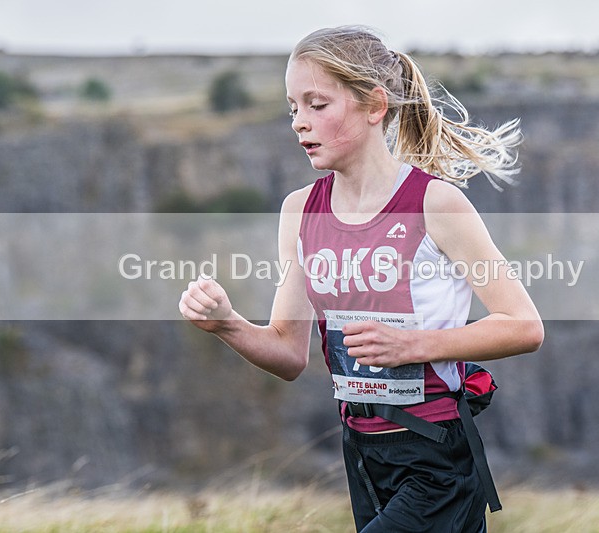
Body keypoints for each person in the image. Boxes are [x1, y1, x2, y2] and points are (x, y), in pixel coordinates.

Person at [179, 26, 544, 533]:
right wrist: (227, 324)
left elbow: (524, 325)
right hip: (363, 453)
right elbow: (287, 353)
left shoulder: (435, 204)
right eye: (293, 108)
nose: (299, 123)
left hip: (436, 455)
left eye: (317, 104)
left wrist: (414, 345)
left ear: (374, 105)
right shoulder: (299, 211)